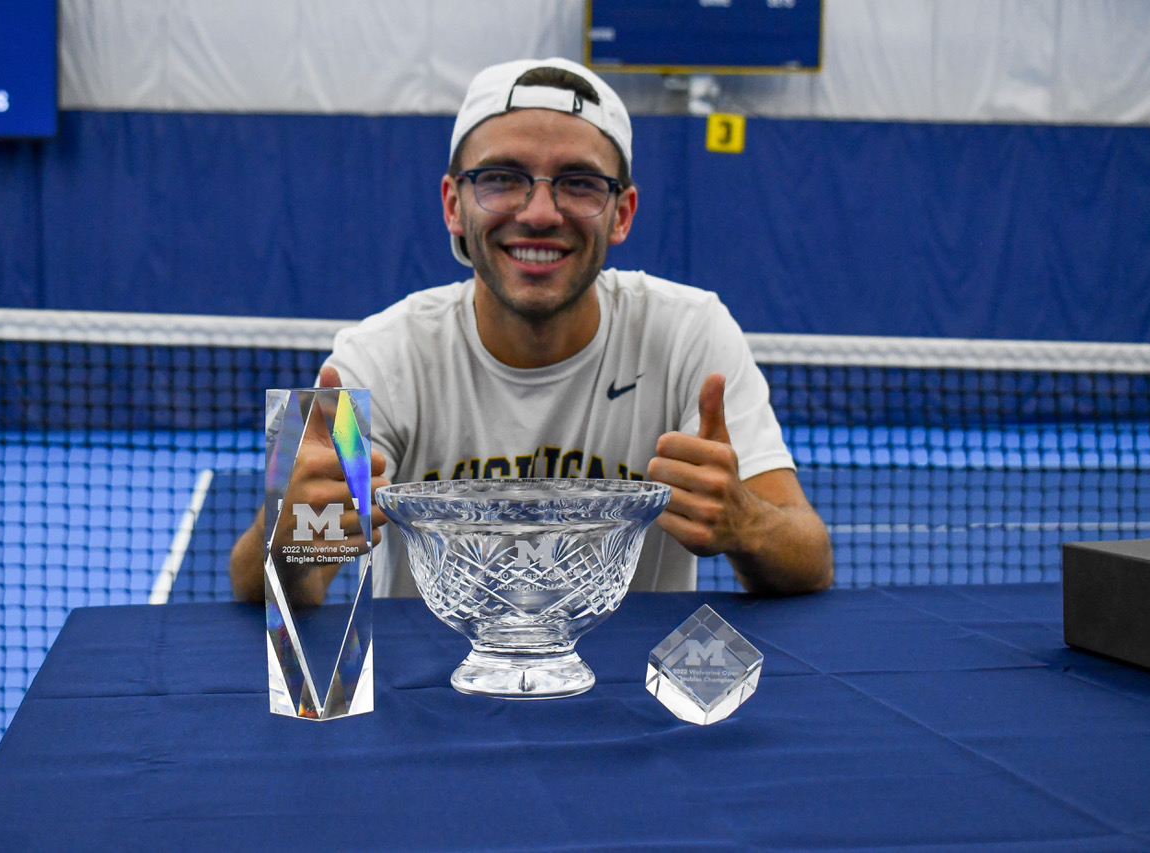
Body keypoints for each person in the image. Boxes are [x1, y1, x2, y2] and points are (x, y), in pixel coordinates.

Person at [230, 57, 833, 603]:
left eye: (579, 182)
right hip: (434, 705)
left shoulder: (691, 333)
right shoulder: (375, 357)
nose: (540, 213)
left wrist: (745, 522)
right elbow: (274, 588)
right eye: (501, 178)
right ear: (453, 206)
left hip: (629, 704)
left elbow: (811, 561)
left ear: (621, 213)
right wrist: (284, 531)